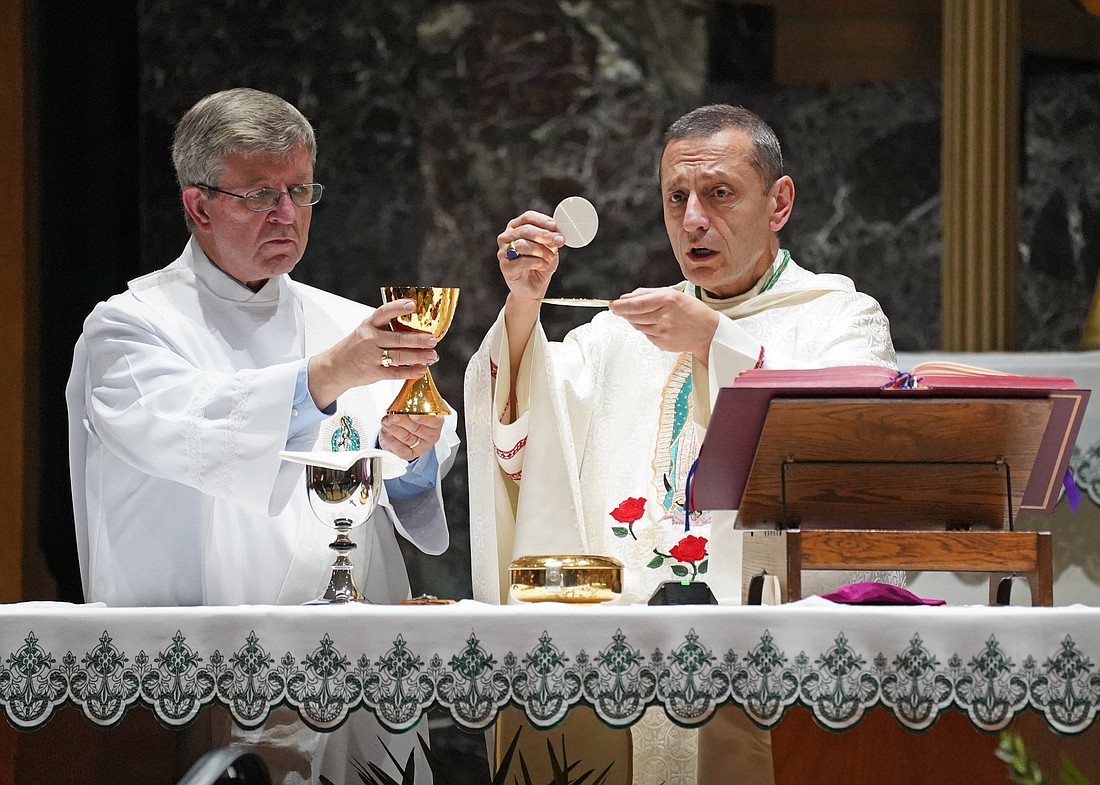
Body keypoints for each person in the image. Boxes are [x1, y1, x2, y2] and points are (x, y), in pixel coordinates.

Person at [464, 104, 896, 784]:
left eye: (718, 193)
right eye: (676, 197)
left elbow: (850, 442)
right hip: (617, 650)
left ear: (779, 202)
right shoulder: (623, 330)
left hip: (755, 651)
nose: (693, 218)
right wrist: (523, 304)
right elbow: (520, 446)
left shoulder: (841, 317)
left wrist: (713, 341)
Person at [66, 87, 459, 785]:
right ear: (199, 204)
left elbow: (408, 456)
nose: (286, 213)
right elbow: (193, 427)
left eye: (299, 190)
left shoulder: (343, 321)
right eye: (259, 194)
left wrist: (414, 448)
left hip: (353, 662)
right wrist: (324, 376)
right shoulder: (128, 327)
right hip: (198, 673)